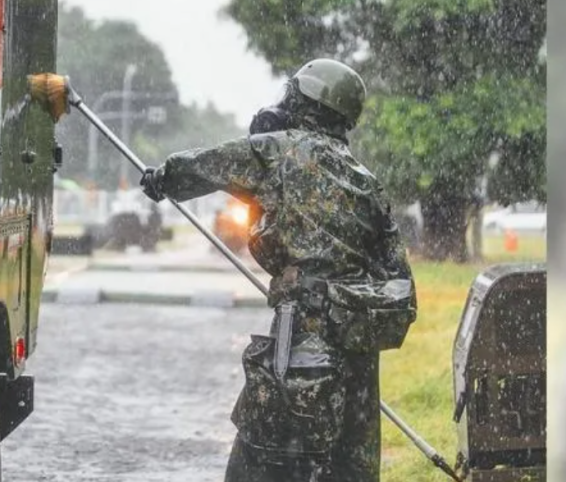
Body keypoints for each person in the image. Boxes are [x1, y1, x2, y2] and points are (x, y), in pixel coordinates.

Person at [140, 58, 416, 482]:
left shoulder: (280, 149)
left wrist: (163, 178)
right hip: (358, 346)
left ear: (304, 99)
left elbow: (203, 165)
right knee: (348, 464)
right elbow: (396, 277)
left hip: (302, 338)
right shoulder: (367, 181)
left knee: (267, 455)